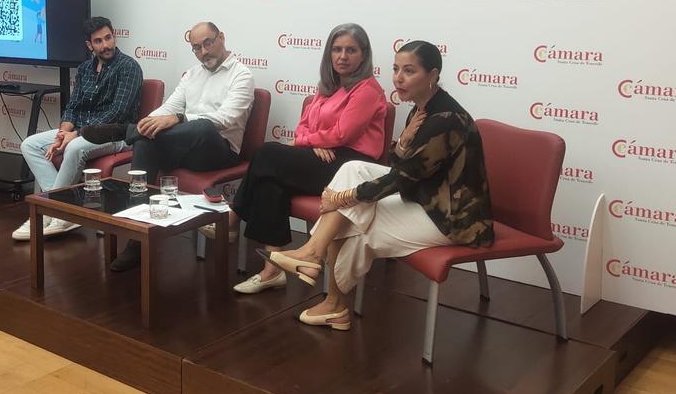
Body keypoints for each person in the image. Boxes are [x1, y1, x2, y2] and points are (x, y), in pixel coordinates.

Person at [262, 40, 493, 330]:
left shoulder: (445, 118)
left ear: (432, 74)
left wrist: (344, 197)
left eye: (409, 71)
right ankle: (314, 255)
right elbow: (402, 165)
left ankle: (332, 298)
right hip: (425, 199)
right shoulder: (422, 109)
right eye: (396, 69)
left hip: (453, 219)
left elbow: (402, 177)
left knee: (356, 224)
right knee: (352, 168)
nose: (398, 77)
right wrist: (400, 146)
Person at [225, 23, 387, 295]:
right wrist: (311, 141)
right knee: (270, 181)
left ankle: (233, 215)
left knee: (267, 153)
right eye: (337, 49)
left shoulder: (368, 89)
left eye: (351, 50)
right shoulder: (327, 87)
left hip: (351, 166)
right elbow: (303, 126)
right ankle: (272, 270)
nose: (343, 56)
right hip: (322, 156)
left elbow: (343, 133)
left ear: (364, 55)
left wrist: (307, 141)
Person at [82, 22, 255, 271]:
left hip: (219, 151)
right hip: (184, 147)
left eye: (208, 43)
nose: (204, 51)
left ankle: (124, 131)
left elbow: (225, 119)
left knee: (203, 126)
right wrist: (148, 123)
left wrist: (178, 119)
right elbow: (169, 108)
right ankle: (137, 240)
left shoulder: (242, 75)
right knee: (145, 143)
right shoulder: (192, 74)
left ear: (221, 38)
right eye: (197, 48)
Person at [13, 16, 143, 241]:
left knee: (73, 148)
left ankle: (52, 212)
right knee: (30, 145)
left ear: (115, 35)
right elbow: (73, 106)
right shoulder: (84, 69)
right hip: (80, 132)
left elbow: (118, 113)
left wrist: (75, 136)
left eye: (108, 38)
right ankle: (63, 210)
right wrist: (63, 133)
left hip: (115, 134)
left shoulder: (129, 67)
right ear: (89, 45)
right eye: (98, 41)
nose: (105, 45)